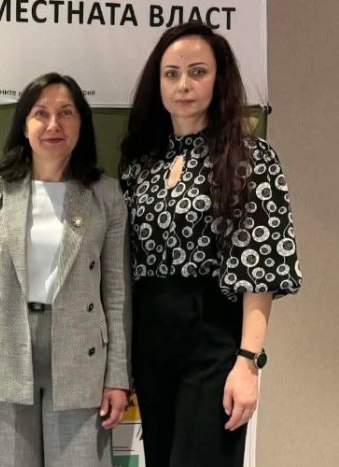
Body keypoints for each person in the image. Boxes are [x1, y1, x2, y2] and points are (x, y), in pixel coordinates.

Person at [119, 22, 303, 467]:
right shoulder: (141, 163)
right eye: (171, 74)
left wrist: (247, 361)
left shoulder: (250, 157)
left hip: (213, 336)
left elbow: (260, 269)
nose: (183, 84)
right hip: (151, 335)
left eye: (197, 71)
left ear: (219, 79)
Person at [0, 72, 131, 467]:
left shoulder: (106, 196)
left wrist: (118, 378)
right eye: (41, 113)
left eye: (65, 113)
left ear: (81, 124)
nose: (53, 125)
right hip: (6, 349)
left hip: (81, 356)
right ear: (24, 125)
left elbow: (117, 294)